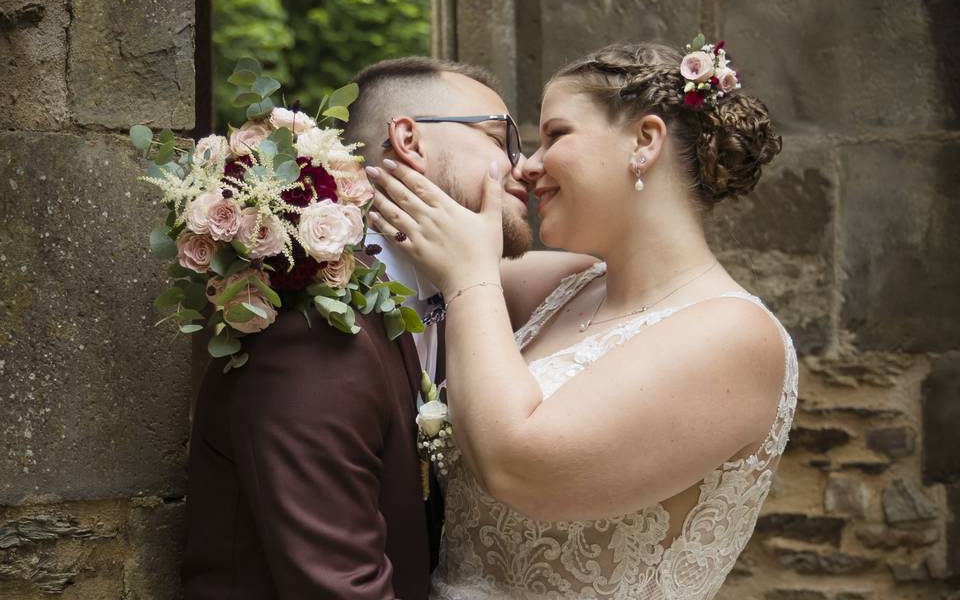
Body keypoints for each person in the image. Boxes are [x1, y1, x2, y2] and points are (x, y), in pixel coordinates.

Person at [367, 40, 797, 599]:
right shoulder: (559, 286)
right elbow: (403, 258)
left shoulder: (737, 337)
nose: (527, 165)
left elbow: (516, 467)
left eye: (555, 135)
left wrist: (470, 274)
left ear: (644, 142)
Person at [181, 56, 537, 600]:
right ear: (410, 140)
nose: (526, 164)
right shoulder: (311, 333)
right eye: (500, 139)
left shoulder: (450, 294)